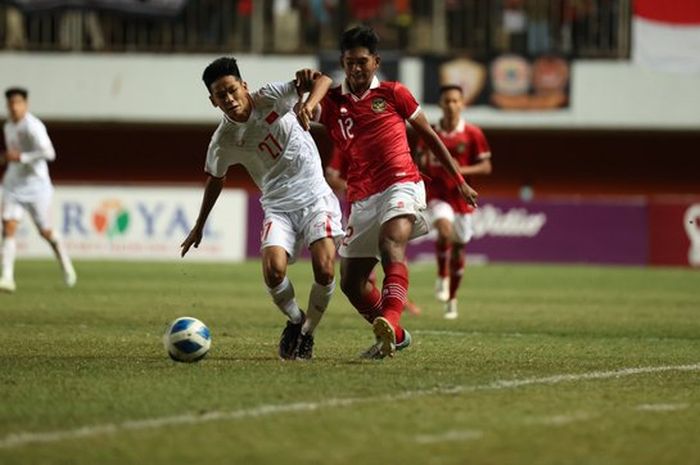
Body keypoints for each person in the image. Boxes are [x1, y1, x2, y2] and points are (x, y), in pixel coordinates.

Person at [308, 26, 478, 359]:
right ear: (342, 62)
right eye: (349, 62)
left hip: (402, 182)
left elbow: (430, 136)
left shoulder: (394, 93)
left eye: (362, 62)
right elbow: (304, 116)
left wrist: (459, 180)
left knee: (391, 241)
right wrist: (307, 90)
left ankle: (390, 317)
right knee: (350, 283)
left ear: (376, 61)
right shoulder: (331, 103)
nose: (356, 69)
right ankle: (395, 335)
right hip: (362, 195)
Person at [180, 57, 343, 361]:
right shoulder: (223, 140)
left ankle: (308, 333)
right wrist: (199, 225)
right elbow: (216, 179)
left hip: (315, 197)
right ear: (213, 101)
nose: (229, 99)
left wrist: (308, 104)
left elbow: (323, 81)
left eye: (232, 90)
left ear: (244, 86)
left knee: (324, 267)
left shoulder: (271, 96)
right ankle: (295, 320)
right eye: (221, 95)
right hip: (278, 206)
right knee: (272, 271)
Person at [419, 85, 492, 319]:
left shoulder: (472, 133)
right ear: (440, 104)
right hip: (438, 195)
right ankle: (442, 275)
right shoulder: (430, 132)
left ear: (462, 104)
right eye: (447, 101)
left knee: (459, 246)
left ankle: (452, 298)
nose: (451, 105)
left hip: (462, 197)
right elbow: (419, 160)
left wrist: (462, 169)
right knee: (444, 229)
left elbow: (486, 166)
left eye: (455, 101)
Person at [324, 146, 421, 316]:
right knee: (362, 268)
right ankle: (385, 309)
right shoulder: (346, 144)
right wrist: (353, 186)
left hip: (385, 201)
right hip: (359, 208)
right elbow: (331, 177)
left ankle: (397, 303)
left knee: (392, 251)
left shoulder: (381, 139)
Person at [0, 87, 77, 293]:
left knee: (46, 232)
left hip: (37, 187)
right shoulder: (8, 126)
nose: (14, 107)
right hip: (13, 184)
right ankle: (7, 277)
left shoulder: (33, 126)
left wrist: (22, 157)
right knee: (7, 227)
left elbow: (49, 153)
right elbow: (13, 154)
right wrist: (9, 158)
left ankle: (66, 264)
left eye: (18, 103)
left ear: (25, 104)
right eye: (11, 103)